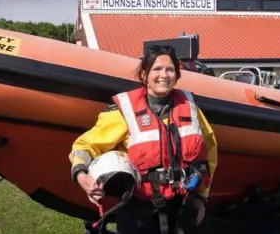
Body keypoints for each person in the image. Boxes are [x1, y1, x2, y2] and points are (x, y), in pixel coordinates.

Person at [69, 44, 218, 234]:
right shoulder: (125, 111)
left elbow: (209, 153)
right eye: (157, 69)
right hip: (140, 213)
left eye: (170, 69)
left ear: (177, 75)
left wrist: (201, 197)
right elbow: (85, 146)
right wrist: (81, 175)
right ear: (144, 74)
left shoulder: (190, 108)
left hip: (183, 209)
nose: (164, 75)